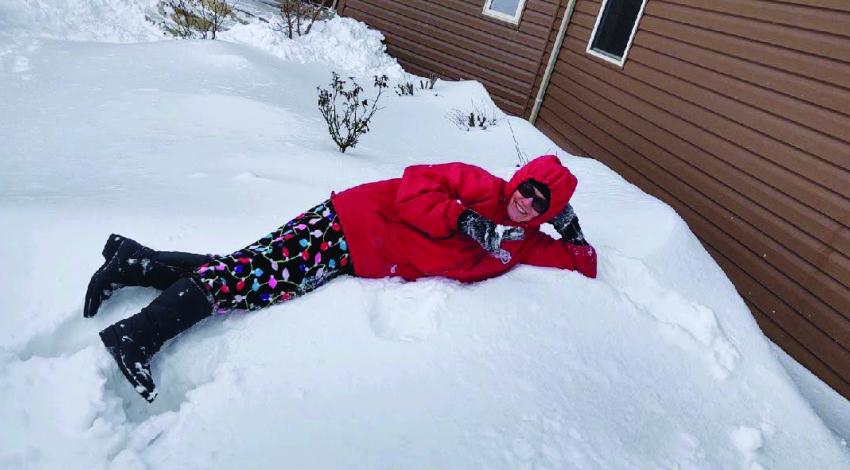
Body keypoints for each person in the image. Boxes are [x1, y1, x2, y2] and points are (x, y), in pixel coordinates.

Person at [85, 155, 596, 402]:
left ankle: (134, 262)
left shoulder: (521, 243)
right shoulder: (481, 185)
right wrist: (462, 218)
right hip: (349, 221)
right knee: (251, 276)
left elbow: (583, 263)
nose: (526, 201)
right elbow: (414, 187)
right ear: (519, 178)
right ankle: (136, 335)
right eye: (528, 188)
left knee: (253, 272)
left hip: (360, 256)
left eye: (541, 202)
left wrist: (571, 230)